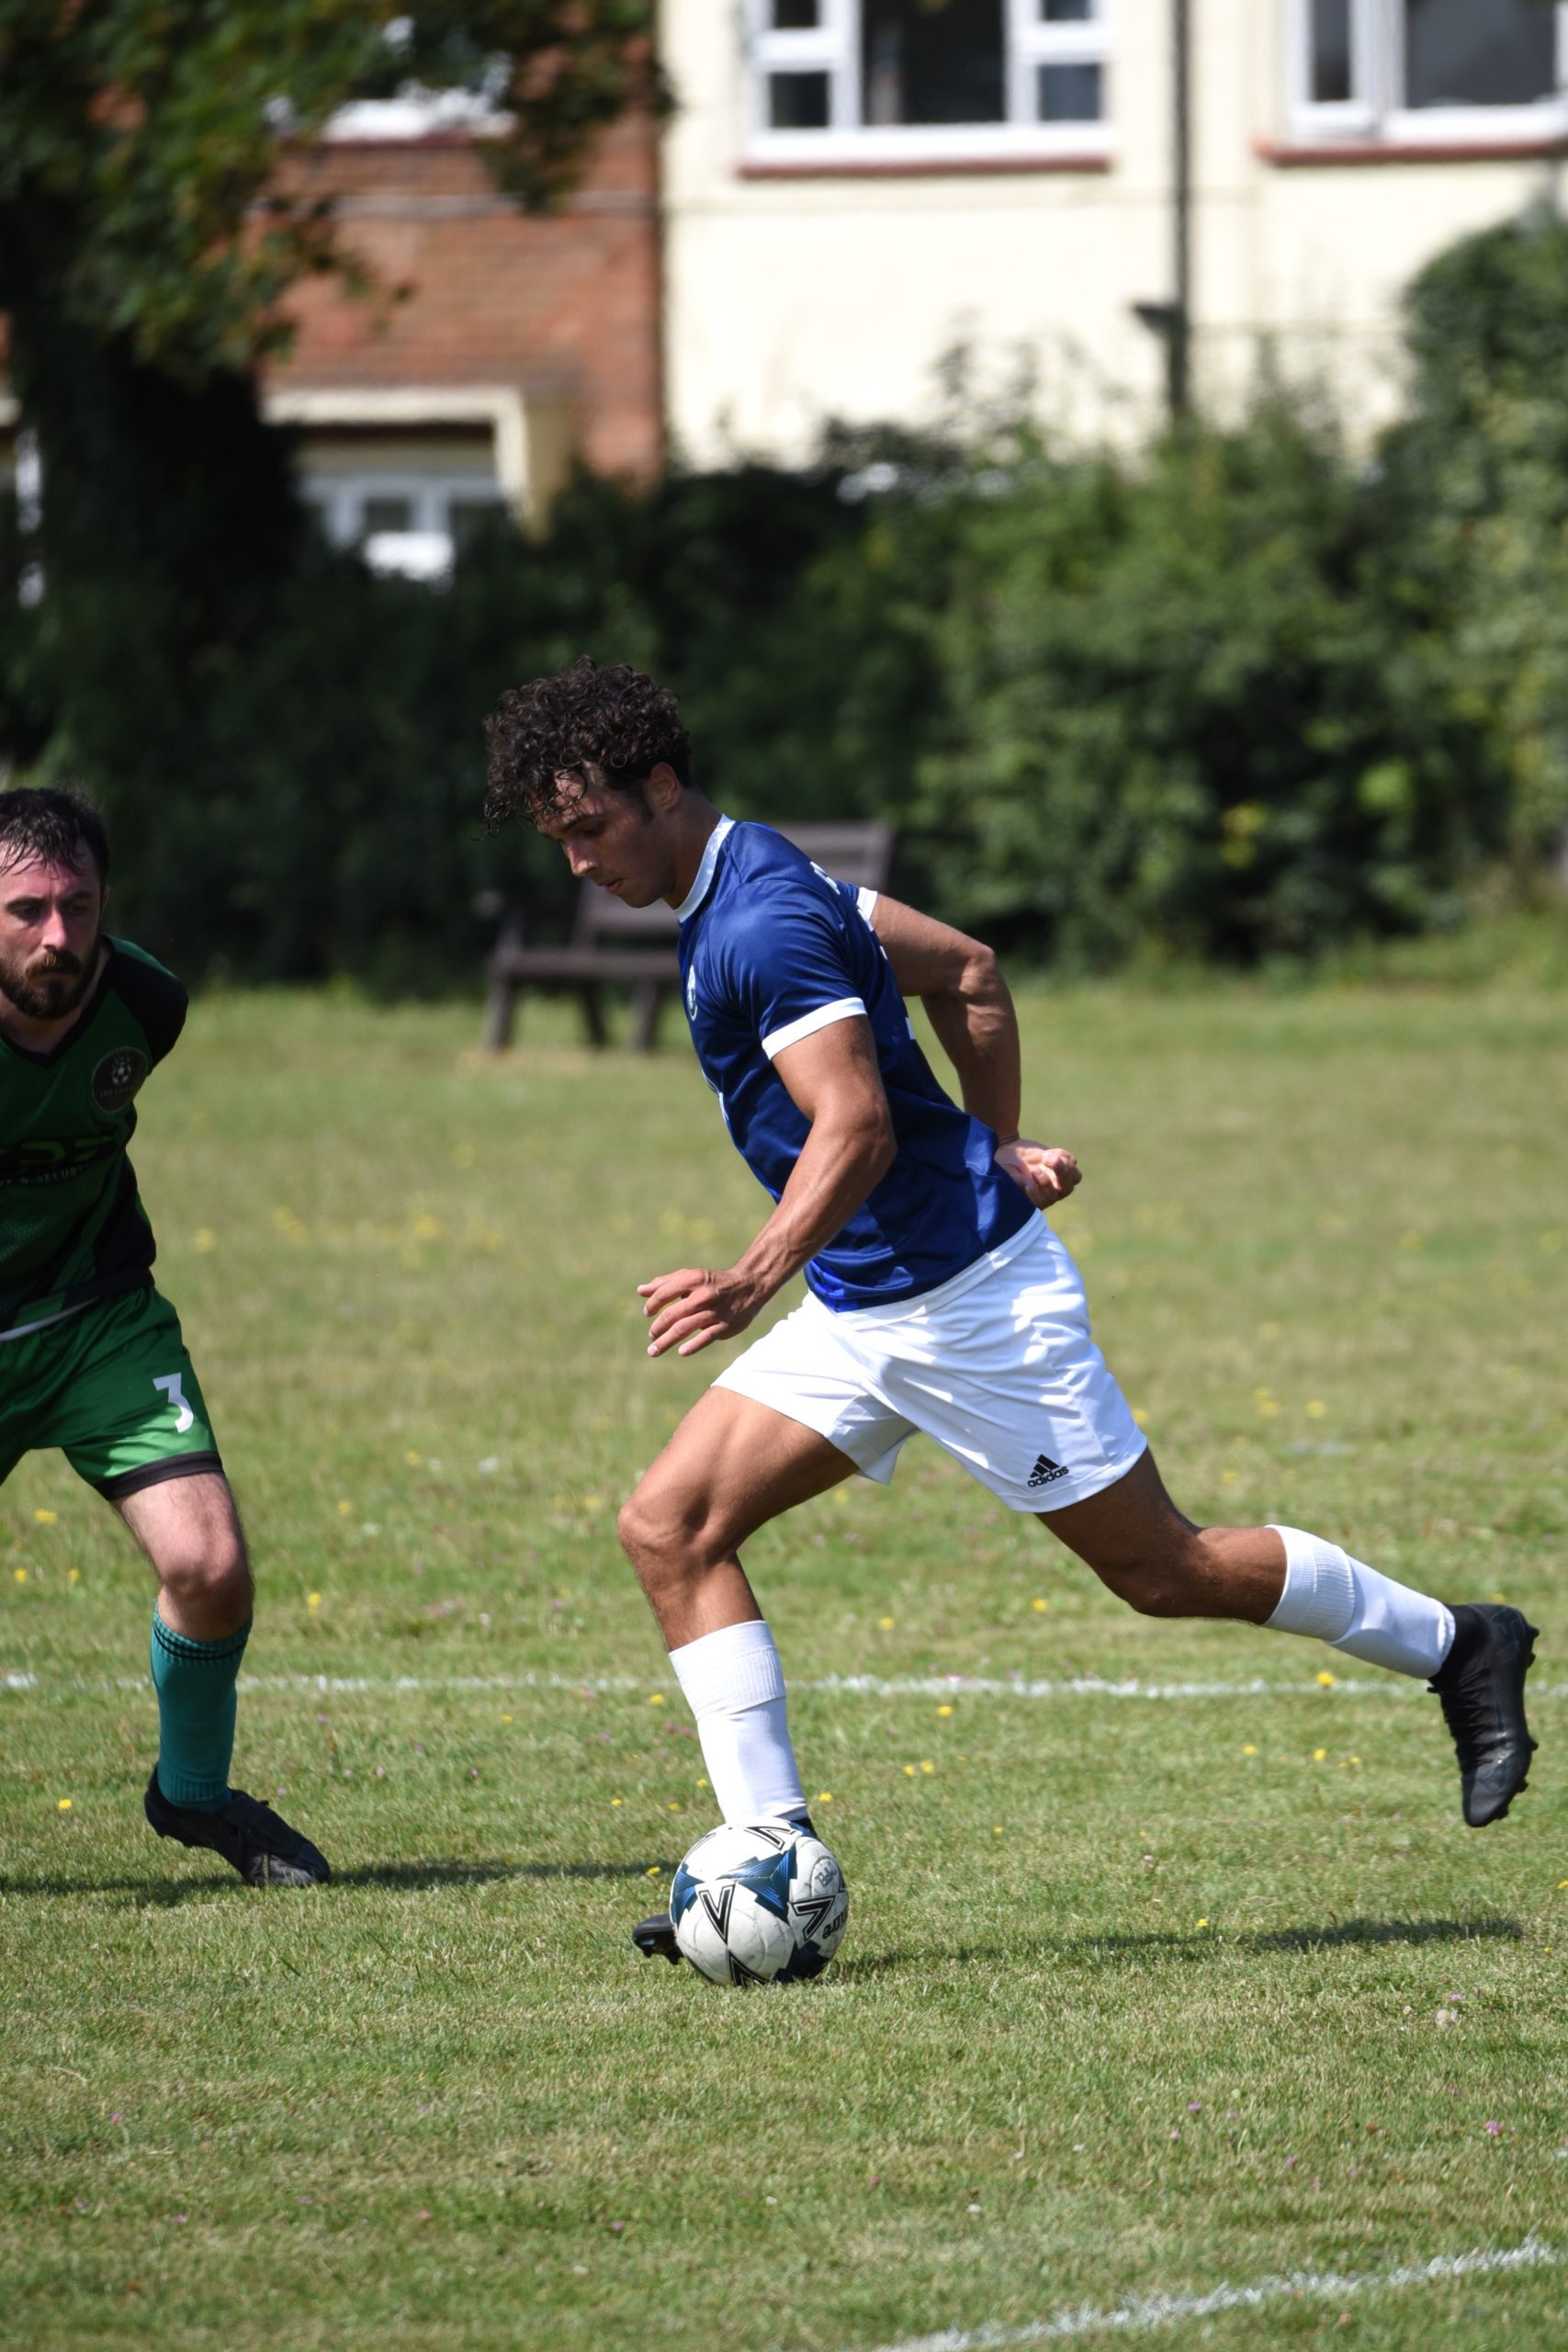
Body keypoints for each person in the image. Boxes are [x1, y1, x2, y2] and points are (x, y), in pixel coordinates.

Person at [482, 659, 1538, 1963]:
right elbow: (967, 970)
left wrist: (753, 1276)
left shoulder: (757, 922)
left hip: (972, 1310)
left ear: (658, 786)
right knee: (670, 1527)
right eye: (559, 840)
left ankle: (1459, 1643)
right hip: (865, 1303)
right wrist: (993, 1141)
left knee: (1163, 1570)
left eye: (589, 829)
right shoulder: (756, 873)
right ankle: (768, 1855)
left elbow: (856, 1125)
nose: (579, 864)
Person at [0, 786, 328, 1888]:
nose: (57, 936)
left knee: (210, 1565)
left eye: (78, 906)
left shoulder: (146, 1003)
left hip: (95, 1320)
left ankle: (192, 1794)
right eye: (26, 910)